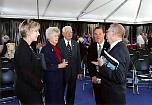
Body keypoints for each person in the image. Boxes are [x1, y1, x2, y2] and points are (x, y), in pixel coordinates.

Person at [92, 23, 130, 105]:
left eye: (107, 32)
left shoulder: (119, 50)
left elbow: (119, 77)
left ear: (113, 33)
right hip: (110, 93)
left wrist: (102, 65)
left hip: (113, 96)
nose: (106, 34)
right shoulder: (117, 47)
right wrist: (101, 63)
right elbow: (113, 67)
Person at [14, 19, 43, 105]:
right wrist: (40, 85)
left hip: (30, 87)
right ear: (28, 32)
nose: (38, 33)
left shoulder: (27, 46)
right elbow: (27, 74)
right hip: (28, 90)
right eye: (36, 31)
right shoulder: (23, 49)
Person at [41, 27, 68, 105]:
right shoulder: (45, 49)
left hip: (59, 80)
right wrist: (59, 65)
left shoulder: (56, 48)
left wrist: (62, 62)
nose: (57, 37)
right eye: (55, 36)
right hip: (51, 82)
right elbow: (45, 66)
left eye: (58, 36)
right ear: (49, 37)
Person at [57, 26, 82, 105]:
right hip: (62, 73)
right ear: (63, 33)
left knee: (71, 92)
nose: (70, 34)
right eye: (67, 32)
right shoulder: (58, 44)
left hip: (73, 73)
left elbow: (78, 58)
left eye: (71, 32)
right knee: (60, 92)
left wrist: (79, 71)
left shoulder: (75, 44)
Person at [87, 26, 109, 105]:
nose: (97, 36)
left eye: (100, 34)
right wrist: (93, 75)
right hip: (95, 77)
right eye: (95, 34)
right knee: (98, 100)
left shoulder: (109, 46)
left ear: (104, 34)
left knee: (107, 100)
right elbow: (89, 63)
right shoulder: (91, 47)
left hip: (107, 78)